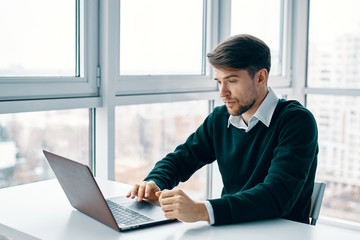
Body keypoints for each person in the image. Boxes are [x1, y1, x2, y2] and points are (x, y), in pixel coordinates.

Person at [126, 34, 318, 225]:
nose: (222, 93)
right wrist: (155, 182)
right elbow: (182, 158)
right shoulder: (220, 118)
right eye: (219, 82)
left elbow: (277, 196)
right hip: (231, 228)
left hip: (281, 232)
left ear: (260, 77)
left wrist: (201, 210)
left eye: (232, 81)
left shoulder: (297, 122)